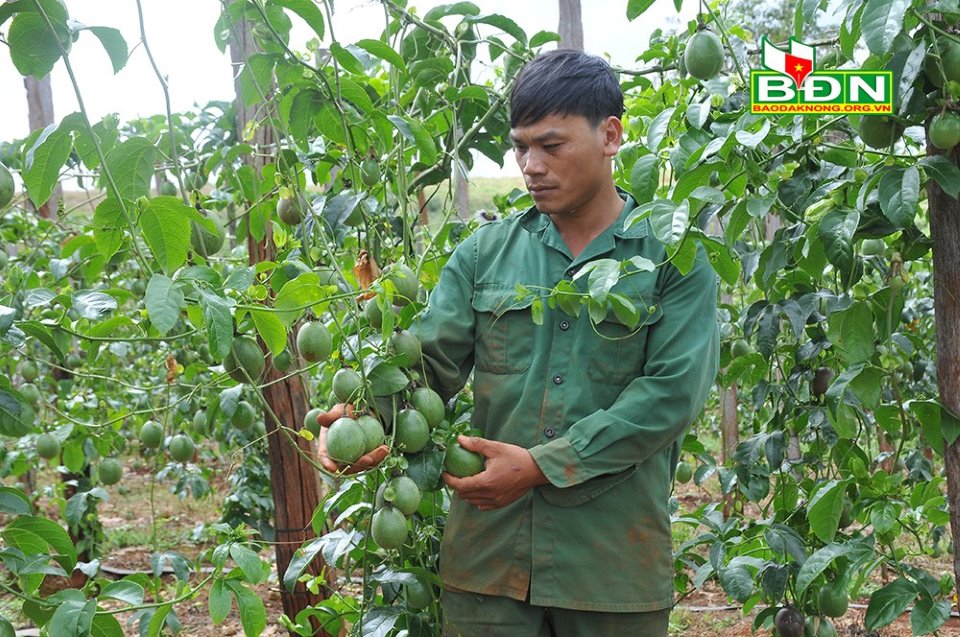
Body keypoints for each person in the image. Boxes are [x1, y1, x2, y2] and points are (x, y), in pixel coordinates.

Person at [318, 49, 719, 637]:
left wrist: (539, 466)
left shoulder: (672, 259)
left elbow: (670, 396)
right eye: (520, 147)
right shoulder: (484, 255)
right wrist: (357, 421)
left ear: (611, 135)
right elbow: (425, 370)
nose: (531, 165)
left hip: (611, 572)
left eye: (551, 146)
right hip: (488, 565)